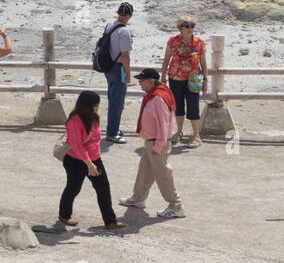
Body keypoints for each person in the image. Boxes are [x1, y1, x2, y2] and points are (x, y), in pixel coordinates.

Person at [119, 69, 185, 219]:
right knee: (144, 170)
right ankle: (138, 199)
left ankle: (176, 205)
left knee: (163, 175)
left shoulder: (158, 99)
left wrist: (158, 146)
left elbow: (164, 124)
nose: (140, 83)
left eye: (142, 80)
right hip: (152, 141)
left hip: (157, 142)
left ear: (151, 81)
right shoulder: (157, 94)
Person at [60, 91, 125, 230]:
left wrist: (93, 162)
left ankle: (110, 221)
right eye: (96, 105)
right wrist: (89, 164)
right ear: (87, 105)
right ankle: (64, 215)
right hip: (76, 161)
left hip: (95, 160)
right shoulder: (74, 121)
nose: (97, 107)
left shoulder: (93, 117)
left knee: (103, 189)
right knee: (73, 188)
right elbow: (77, 146)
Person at [162, 16, 206, 148]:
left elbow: (203, 63)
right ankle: (179, 132)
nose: (190, 28)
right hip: (175, 78)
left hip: (193, 79)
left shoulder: (199, 42)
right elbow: (166, 60)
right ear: (180, 28)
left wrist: (206, 80)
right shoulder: (172, 41)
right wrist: (163, 77)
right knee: (178, 106)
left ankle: (196, 136)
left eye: (192, 25)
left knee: (193, 106)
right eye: (187, 26)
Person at [100, 2, 134, 143]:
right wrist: (128, 73)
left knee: (112, 99)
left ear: (118, 13)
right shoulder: (124, 32)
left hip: (108, 66)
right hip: (118, 68)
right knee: (117, 102)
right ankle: (112, 133)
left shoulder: (110, 25)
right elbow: (125, 56)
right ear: (130, 15)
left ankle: (113, 128)